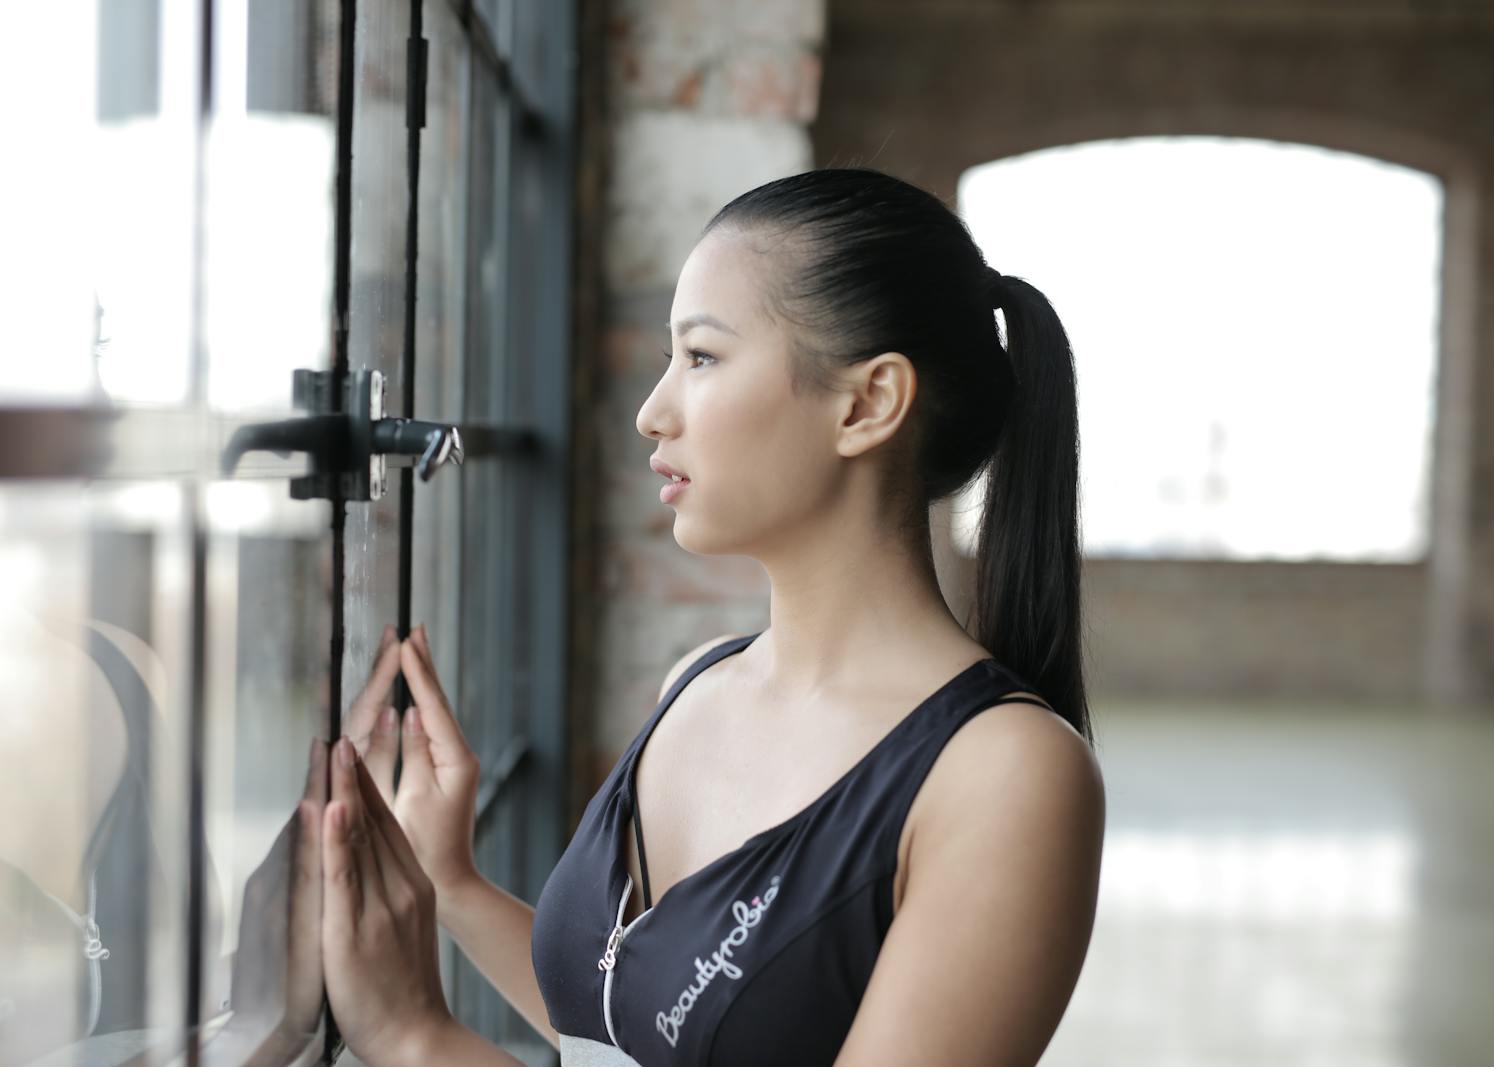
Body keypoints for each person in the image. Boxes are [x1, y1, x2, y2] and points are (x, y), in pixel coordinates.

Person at [326, 167, 1106, 1066]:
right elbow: (644, 1033)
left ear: (868, 403)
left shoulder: (1006, 774)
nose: (651, 413)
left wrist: (417, 1040)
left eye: (700, 357)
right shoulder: (694, 684)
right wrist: (451, 881)